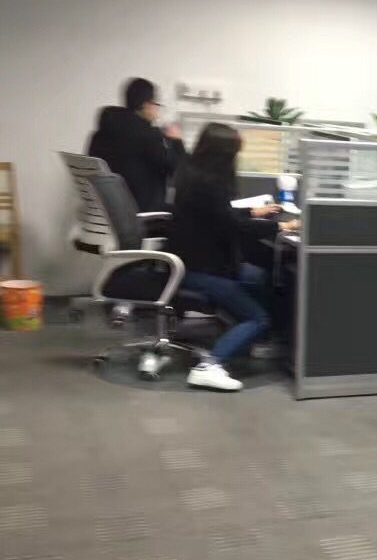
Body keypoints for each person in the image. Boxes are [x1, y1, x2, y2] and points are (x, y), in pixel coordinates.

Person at [166, 122, 278, 393]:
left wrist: (252, 212)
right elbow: (231, 226)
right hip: (200, 269)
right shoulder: (209, 184)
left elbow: (219, 216)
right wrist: (280, 226)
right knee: (258, 317)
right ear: (224, 155)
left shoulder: (192, 174)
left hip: (193, 260)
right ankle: (210, 366)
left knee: (261, 278)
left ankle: (256, 341)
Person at [88, 78, 184, 213]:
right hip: (144, 214)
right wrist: (177, 141)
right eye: (157, 104)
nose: (158, 110)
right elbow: (180, 172)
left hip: (110, 213)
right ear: (147, 105)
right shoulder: (148, 135)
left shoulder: (101, 134)